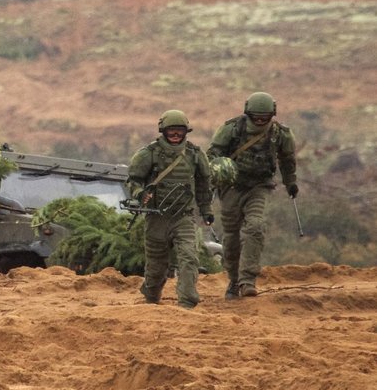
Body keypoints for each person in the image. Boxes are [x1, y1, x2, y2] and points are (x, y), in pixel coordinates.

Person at [207, 91, 297, 299]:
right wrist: (218, 171)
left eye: (264, 118)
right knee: (231, 237)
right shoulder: (231, 129)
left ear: (271, 115)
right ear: (248, 113)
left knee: (255, 227)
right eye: (256, 117)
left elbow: (287, 159)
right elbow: (213, 154)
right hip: (231, 187)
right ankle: (233, 279)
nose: (259, 121)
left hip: (259, 187)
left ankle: (247, 280)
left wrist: (290, 182)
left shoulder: (280, 134)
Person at [125, 110, 215, 309]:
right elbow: (133, 180)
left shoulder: (195, 155)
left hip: (183, 217)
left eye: (179, 131)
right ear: (163, 131)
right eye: (171, 131)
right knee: (157, 265)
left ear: (186, 132)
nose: (175, 135)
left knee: (189, 257)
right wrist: (140, 194)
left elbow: (203, 185)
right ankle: (150, 297)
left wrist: (206, 210)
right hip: (157, 217)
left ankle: (187, 302)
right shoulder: (149, 154)